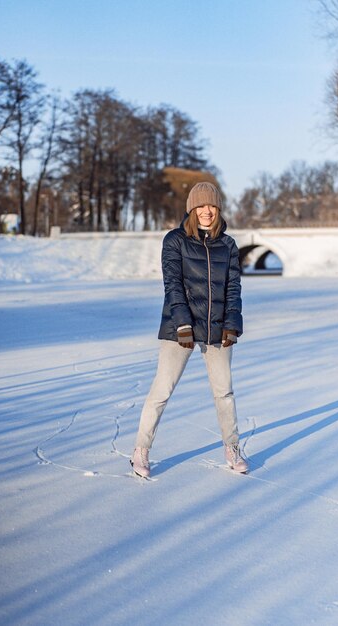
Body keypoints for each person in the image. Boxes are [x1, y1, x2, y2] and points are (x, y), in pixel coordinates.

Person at [131, 181, 248, 478]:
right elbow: (173, 285)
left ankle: (232, 448)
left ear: (218, 209)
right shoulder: (175, 240)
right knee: (162, 390)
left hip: (217, 328)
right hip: (179, 327)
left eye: (211, 206)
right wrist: (182, 323)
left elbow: (233, 287)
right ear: (192, 209)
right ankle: (141, 451)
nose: (206, 211)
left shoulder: (228, 245)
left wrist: (232, 323)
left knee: (224, 393)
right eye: (201, 206)